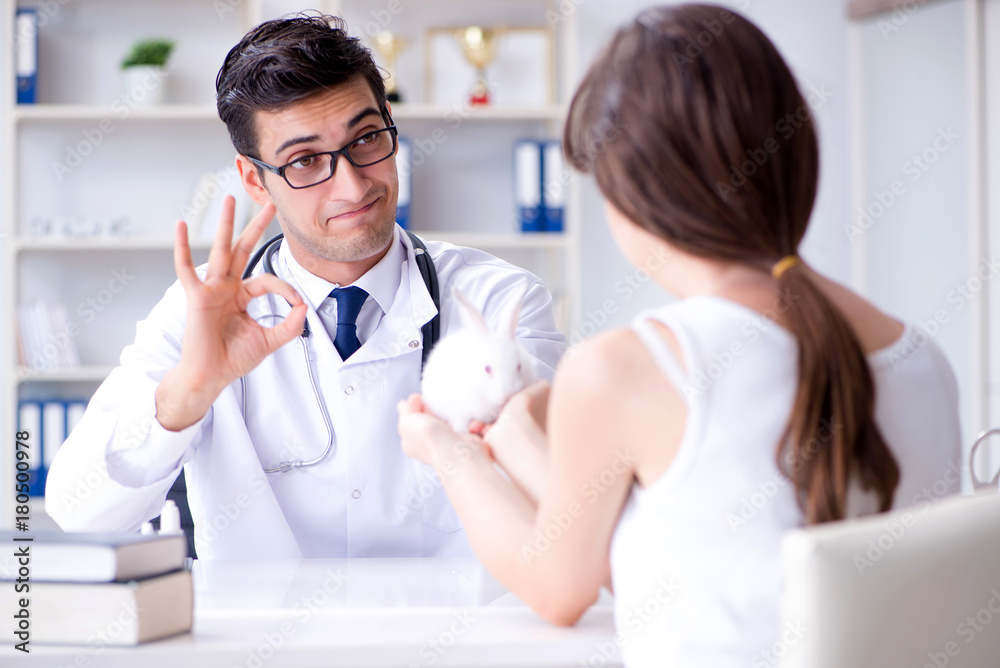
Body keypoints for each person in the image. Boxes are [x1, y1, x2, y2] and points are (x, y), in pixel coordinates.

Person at [397, 4, 962, 665]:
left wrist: (450, 455)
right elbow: (685, 563)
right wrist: (519, 441)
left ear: (636, 193)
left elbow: (557, 590)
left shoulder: (627, 365)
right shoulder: (923, 357)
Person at [45, 14, 567, 559]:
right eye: (305, 161)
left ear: (391, 124)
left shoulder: (498, 299)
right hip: (260, 642)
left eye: (366, 138)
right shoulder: (202, 309)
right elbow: (76, 510)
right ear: (254, 180)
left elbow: (562, 497)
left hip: (456, 637)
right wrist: (189, 391)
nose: (353, 184)